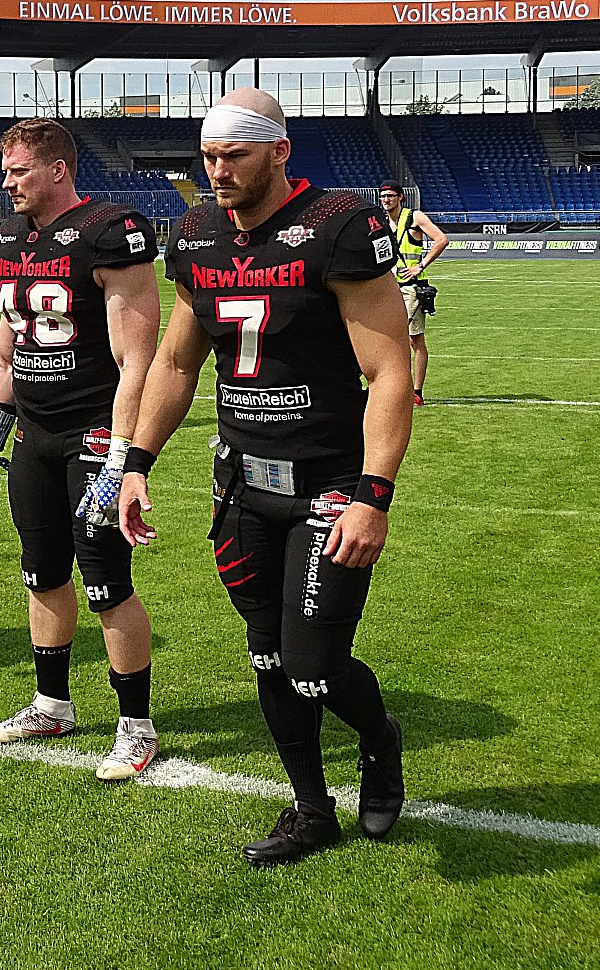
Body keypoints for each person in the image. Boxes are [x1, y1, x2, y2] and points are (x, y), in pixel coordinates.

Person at [119, 89, 413, 866]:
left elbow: (387, 370)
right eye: (209, 156)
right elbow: (179, 361)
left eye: (234, 156)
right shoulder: (195, 234)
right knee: (267, 654)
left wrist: (373, 494)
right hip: (242, 484)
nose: (217, 172)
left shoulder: (338, 223)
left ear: (279, 151)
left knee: (315, 666)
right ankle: (311, 810)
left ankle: (380, 739)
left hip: (327, 480)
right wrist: (136, 461)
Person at [0, 118, 162, 781]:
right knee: (41, 573)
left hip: (92, 436)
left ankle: (136, 725)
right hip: (34, 437)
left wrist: (120, 457)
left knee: (107, 582)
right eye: (5, 169)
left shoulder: (110, 230)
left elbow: (137, 359)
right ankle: (52, 703)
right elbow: (5, 350)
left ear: (57, 169)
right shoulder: (10, 238)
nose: (7, 182)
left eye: (19, 170)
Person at [377, 181, 449, 407]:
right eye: (382, 196)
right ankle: (395, 387)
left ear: (401, 198)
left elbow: (441, 239)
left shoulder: (415, 217)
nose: (386, 200)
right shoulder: (380, 222)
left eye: (390, 196)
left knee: (413, 339)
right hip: (387, 287)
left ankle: (416, 391)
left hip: (410, 287)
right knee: (386, 339)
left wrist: (421, 265)